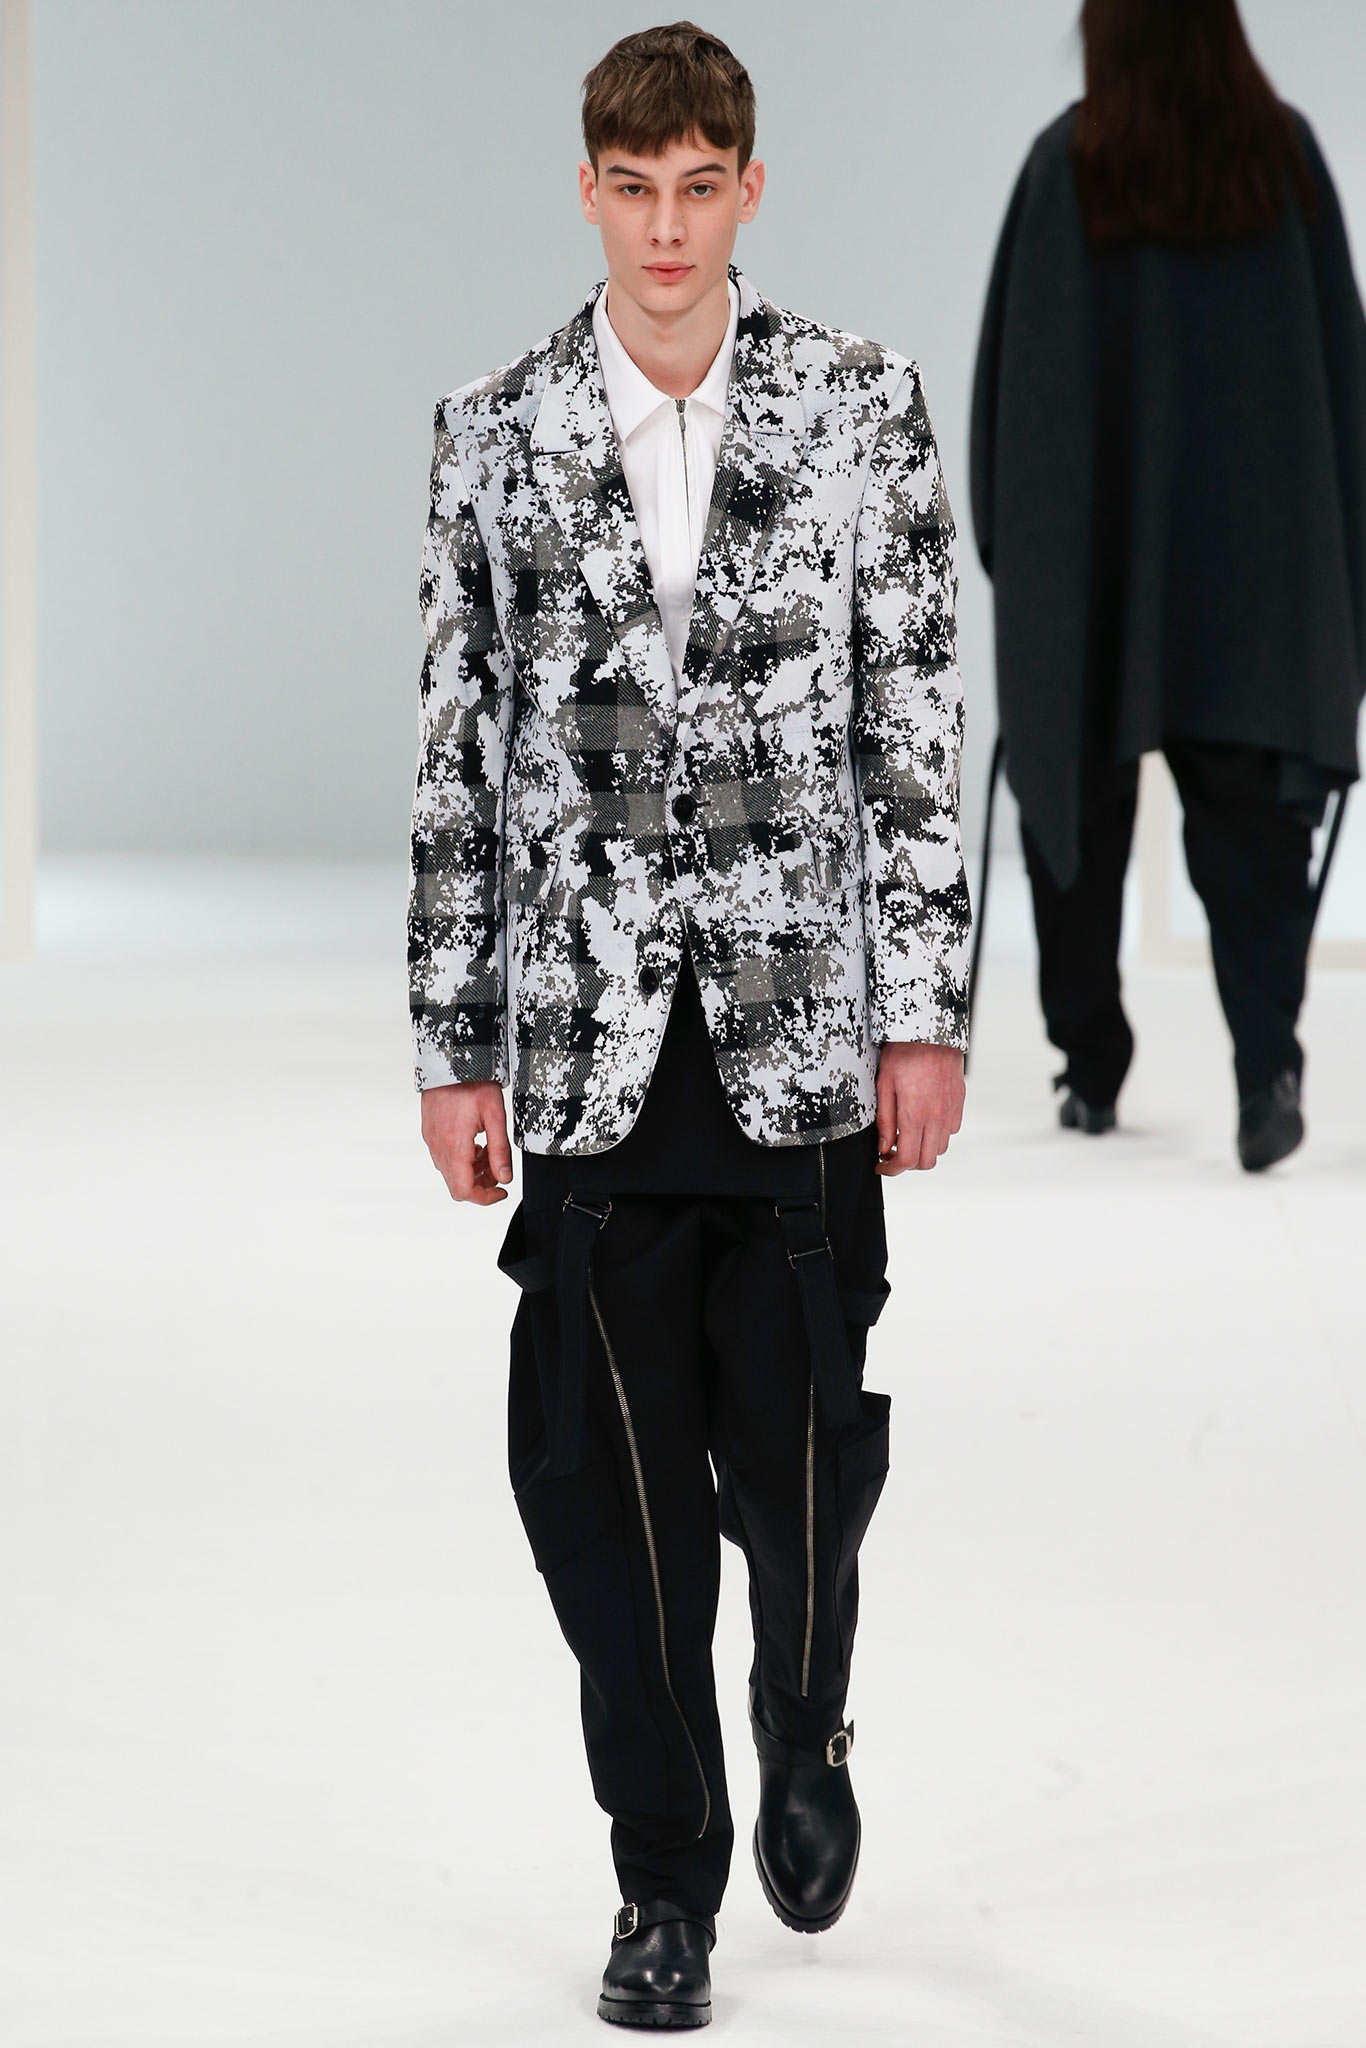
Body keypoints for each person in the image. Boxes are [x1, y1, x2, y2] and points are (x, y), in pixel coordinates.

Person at [407, 19, 970, 2029]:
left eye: (698, 186)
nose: (664, 227)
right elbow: (458, 753)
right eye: (631, 188)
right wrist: (454, 1042)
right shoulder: (493, 431)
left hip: (800, 1020)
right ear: (587, 190)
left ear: (749, 187)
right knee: (612, 1502)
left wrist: (926, 1014)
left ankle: (802, 1709)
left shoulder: (858, 408)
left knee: (802, 1456)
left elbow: (914, 723)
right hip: (586, 1042)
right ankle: (664, 1881)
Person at [970, 0, 1366, 1172]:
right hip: (1258, 576)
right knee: (1250, 825)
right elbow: (1344, 374)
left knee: (1076, 805)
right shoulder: (1281, 157)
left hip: (1087, 561)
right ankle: (1265, 1064)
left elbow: (1008, 394)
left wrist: (1018, 561)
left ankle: (1089, 1066)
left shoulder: (1066, 165)